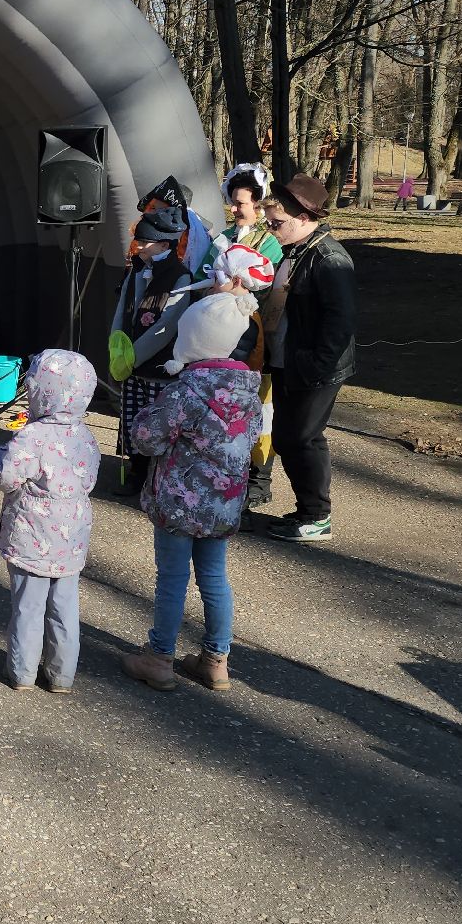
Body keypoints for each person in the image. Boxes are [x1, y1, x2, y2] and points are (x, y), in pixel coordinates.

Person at [120, 292, 264, 692]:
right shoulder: (250, 396)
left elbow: (147, 439)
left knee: (171, 579)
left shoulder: (185, 393)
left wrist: (145, 421)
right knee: (215, 579)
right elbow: (251, 441)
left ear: (193, 341)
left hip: (178, 506)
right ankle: (216, 660)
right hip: (224, 506)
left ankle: (159, 657)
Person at [0, 349, 98, 693]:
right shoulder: (85, 436)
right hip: (71, 538)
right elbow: (89, 480)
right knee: (65, 607)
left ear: (38, 390)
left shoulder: (31, 437)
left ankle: (22, 673)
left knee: (28, 606)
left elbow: (4, 476)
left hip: (31, 535)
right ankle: (62, 676)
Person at [261, 175, 356, 543]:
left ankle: (317, 516)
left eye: (278, 223)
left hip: (314, 366)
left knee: (302, 437)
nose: (271, 229)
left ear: (304, 217)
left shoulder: (329, 258)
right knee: (289, 437)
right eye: (269, 221)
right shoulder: (294, 252)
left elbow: (341, 320)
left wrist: (318, 366)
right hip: (289, 360)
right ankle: (308, 512)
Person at [109, 204, 194, 496]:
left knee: (155, 423)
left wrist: (134, 356)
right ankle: (136, 469)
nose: (139, 245)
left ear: (163, 243)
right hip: (131, 363)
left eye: (144, 241)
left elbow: (168, 325)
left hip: (156, 365)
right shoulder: (136, 270)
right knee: (132, 419)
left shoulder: (181, 276)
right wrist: (116, 347)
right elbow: (122, 310)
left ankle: (157, 476)